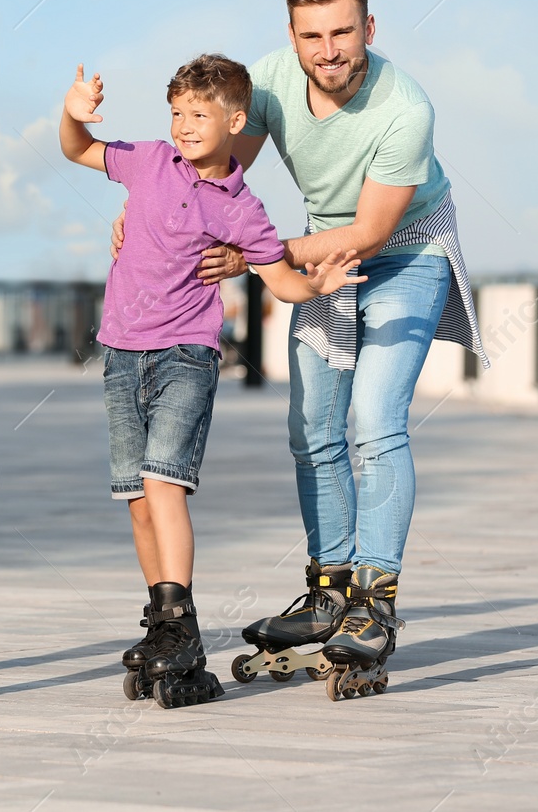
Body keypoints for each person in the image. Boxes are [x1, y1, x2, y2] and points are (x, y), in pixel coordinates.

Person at [114, 0, 486, 701]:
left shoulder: (406, 107)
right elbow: (213, 171)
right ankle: (328, 588)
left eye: (343, 32)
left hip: (407, 251)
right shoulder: (273, 83)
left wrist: (257, 253)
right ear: (292, 37)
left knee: (374, 419)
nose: (328, 49)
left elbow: (374, 230)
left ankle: (373, 601)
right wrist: (154, 208)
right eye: (312, 35)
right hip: (319, 245)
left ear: (368, 31)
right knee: (312, 423)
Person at [61, 53, 365, 708]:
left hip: (185, 356)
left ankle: (178, 629)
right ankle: (169, 626)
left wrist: (318, 284)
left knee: (162, 483)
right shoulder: (147, 160)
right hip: (119, 353)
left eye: (200, 114)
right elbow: (77, 149)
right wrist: (72, 113)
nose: (185, 125)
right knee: (137, 497)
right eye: (176, 112)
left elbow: (277, 276)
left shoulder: (241, 208)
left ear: (234, 121)